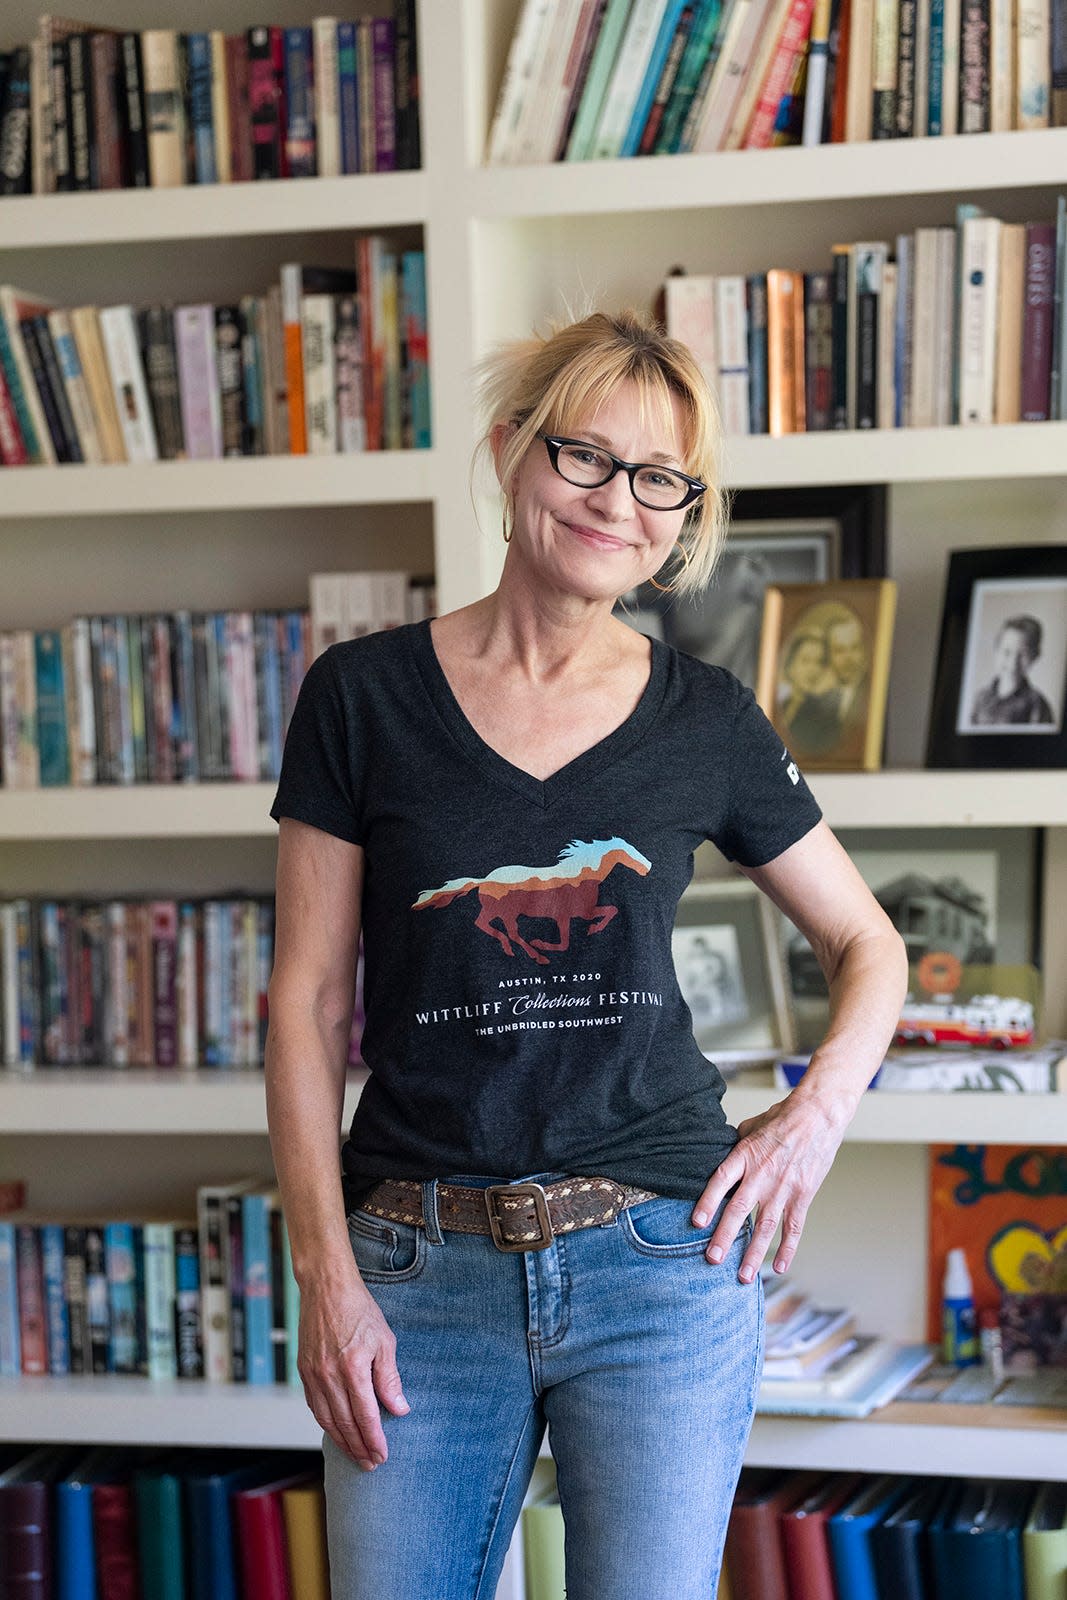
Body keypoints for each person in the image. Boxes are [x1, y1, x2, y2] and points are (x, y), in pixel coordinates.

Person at [264, 308, 908, 1600]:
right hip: (411, 1271)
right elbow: (302, 1001)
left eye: (660, 478)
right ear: (511, 454)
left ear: (681, 515)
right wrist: (324, 1276)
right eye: (586, 458)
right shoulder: (361, 695)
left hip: (658, 1267)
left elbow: (865, 941)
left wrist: (813, 1114)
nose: (621, 502)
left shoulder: (707, 718)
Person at [969, 614, 1055, 726]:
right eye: (1007, 652)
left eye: (1023, 654)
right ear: (996, 650)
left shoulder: (1037, 704)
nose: (1013, 663)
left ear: (1035, 656)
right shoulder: (980, 699)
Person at [778, 627, 839, 755]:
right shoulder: (782, 705)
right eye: (805, 661)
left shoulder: (826, 717)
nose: (813, 670)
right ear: (790, 665)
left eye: (819, 662)